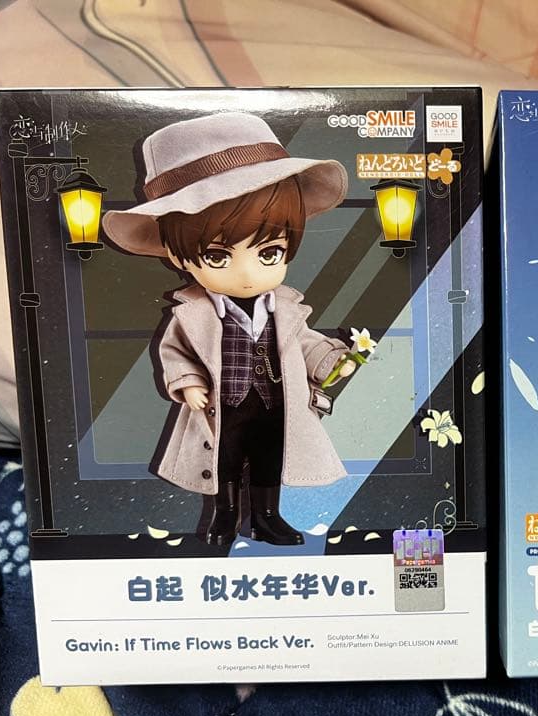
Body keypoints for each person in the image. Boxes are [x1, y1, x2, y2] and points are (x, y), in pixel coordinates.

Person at [102, 112, 356, 547]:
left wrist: (333, 360)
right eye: (218, 257)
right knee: (223, 460)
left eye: (270, 252)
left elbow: (303, 342)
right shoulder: (193, 314)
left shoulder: (285, 308)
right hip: (223, 405)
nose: (247, 274)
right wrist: (188, 383)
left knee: (270, 458)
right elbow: (175, 352)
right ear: (178, 256)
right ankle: (224, 515)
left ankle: (267, 516)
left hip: (275, 402)